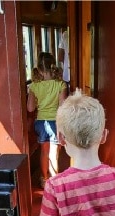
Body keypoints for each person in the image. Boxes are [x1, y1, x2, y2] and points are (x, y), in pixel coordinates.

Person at [27, 52, 68, 188]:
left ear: (39, 69)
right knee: (54, 154)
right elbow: (62, 106)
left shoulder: (34, 86)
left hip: (40, 122)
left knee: (44, 151)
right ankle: (55, 182)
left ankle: (44, 179)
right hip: (55, 122)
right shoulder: (61, 84)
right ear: (53, 66)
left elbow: (31, 108)